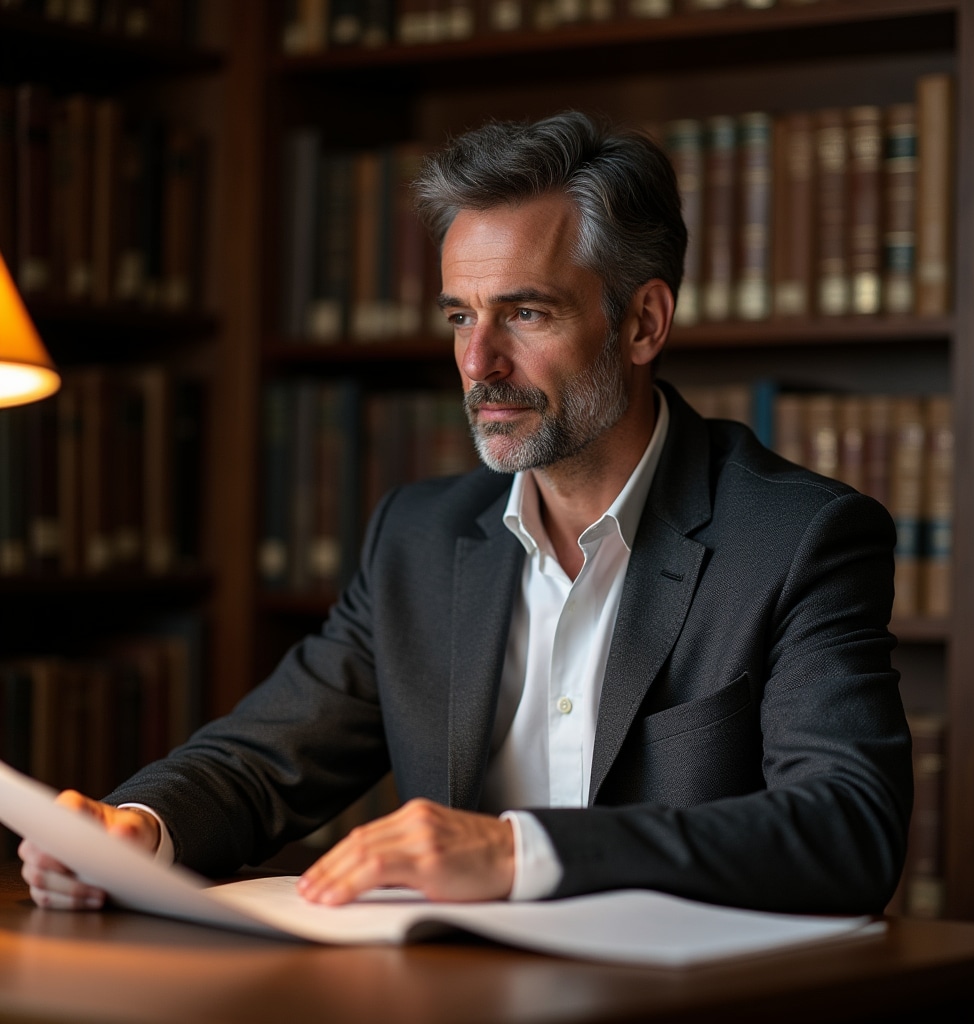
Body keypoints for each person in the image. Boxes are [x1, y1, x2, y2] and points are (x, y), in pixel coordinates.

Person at [20, 110, 913, 915]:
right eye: (459, 316)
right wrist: (135, 826)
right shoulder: (419, 535)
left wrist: (517, 851)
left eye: (525, 312)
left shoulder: (797, 539)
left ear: (643, 323)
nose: (479, 362)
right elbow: (264, 760)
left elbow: (845, 831)